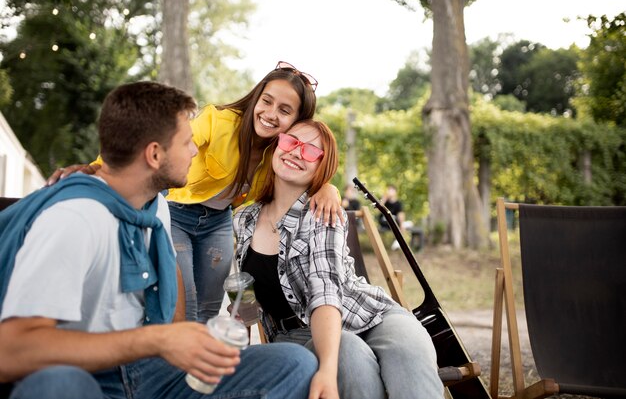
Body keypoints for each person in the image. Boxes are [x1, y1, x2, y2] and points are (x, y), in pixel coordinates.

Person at [0, 81, 317, 399]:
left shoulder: (156, 208)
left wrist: (179, 339)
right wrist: (158, 340)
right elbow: (9, 352)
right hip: (93, 377)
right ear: (154, 154)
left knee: (294, 363)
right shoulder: (75, 218)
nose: (195, 150)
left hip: (153, 372)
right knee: (57, 386)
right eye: (186, 142)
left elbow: (171, 271)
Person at [47, 61, 342, 324]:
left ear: (297, 122)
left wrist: (328, 188)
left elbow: (308, 171)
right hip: (177, 214)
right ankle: (175, 370)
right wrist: (97, 168)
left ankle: (196, 373)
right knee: (184, 305)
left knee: (210, 308)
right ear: (256, 98)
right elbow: (167, 141)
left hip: (218, 222)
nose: (270, 114)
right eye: (266, 101)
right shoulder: (218, 121)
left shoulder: (280, 155)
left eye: (285, 110)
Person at [232, 119, 443, 399]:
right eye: (291, 142)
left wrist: (326, 371)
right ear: (276, 146)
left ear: (322, 166)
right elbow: (243, 297)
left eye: (310, 151)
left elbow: (325, 291)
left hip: (369, 314)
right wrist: (238, 341)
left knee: (408, 350)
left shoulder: (324, 213)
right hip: (298, 337)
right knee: (348, 352)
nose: (296, 152)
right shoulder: (243, 220)